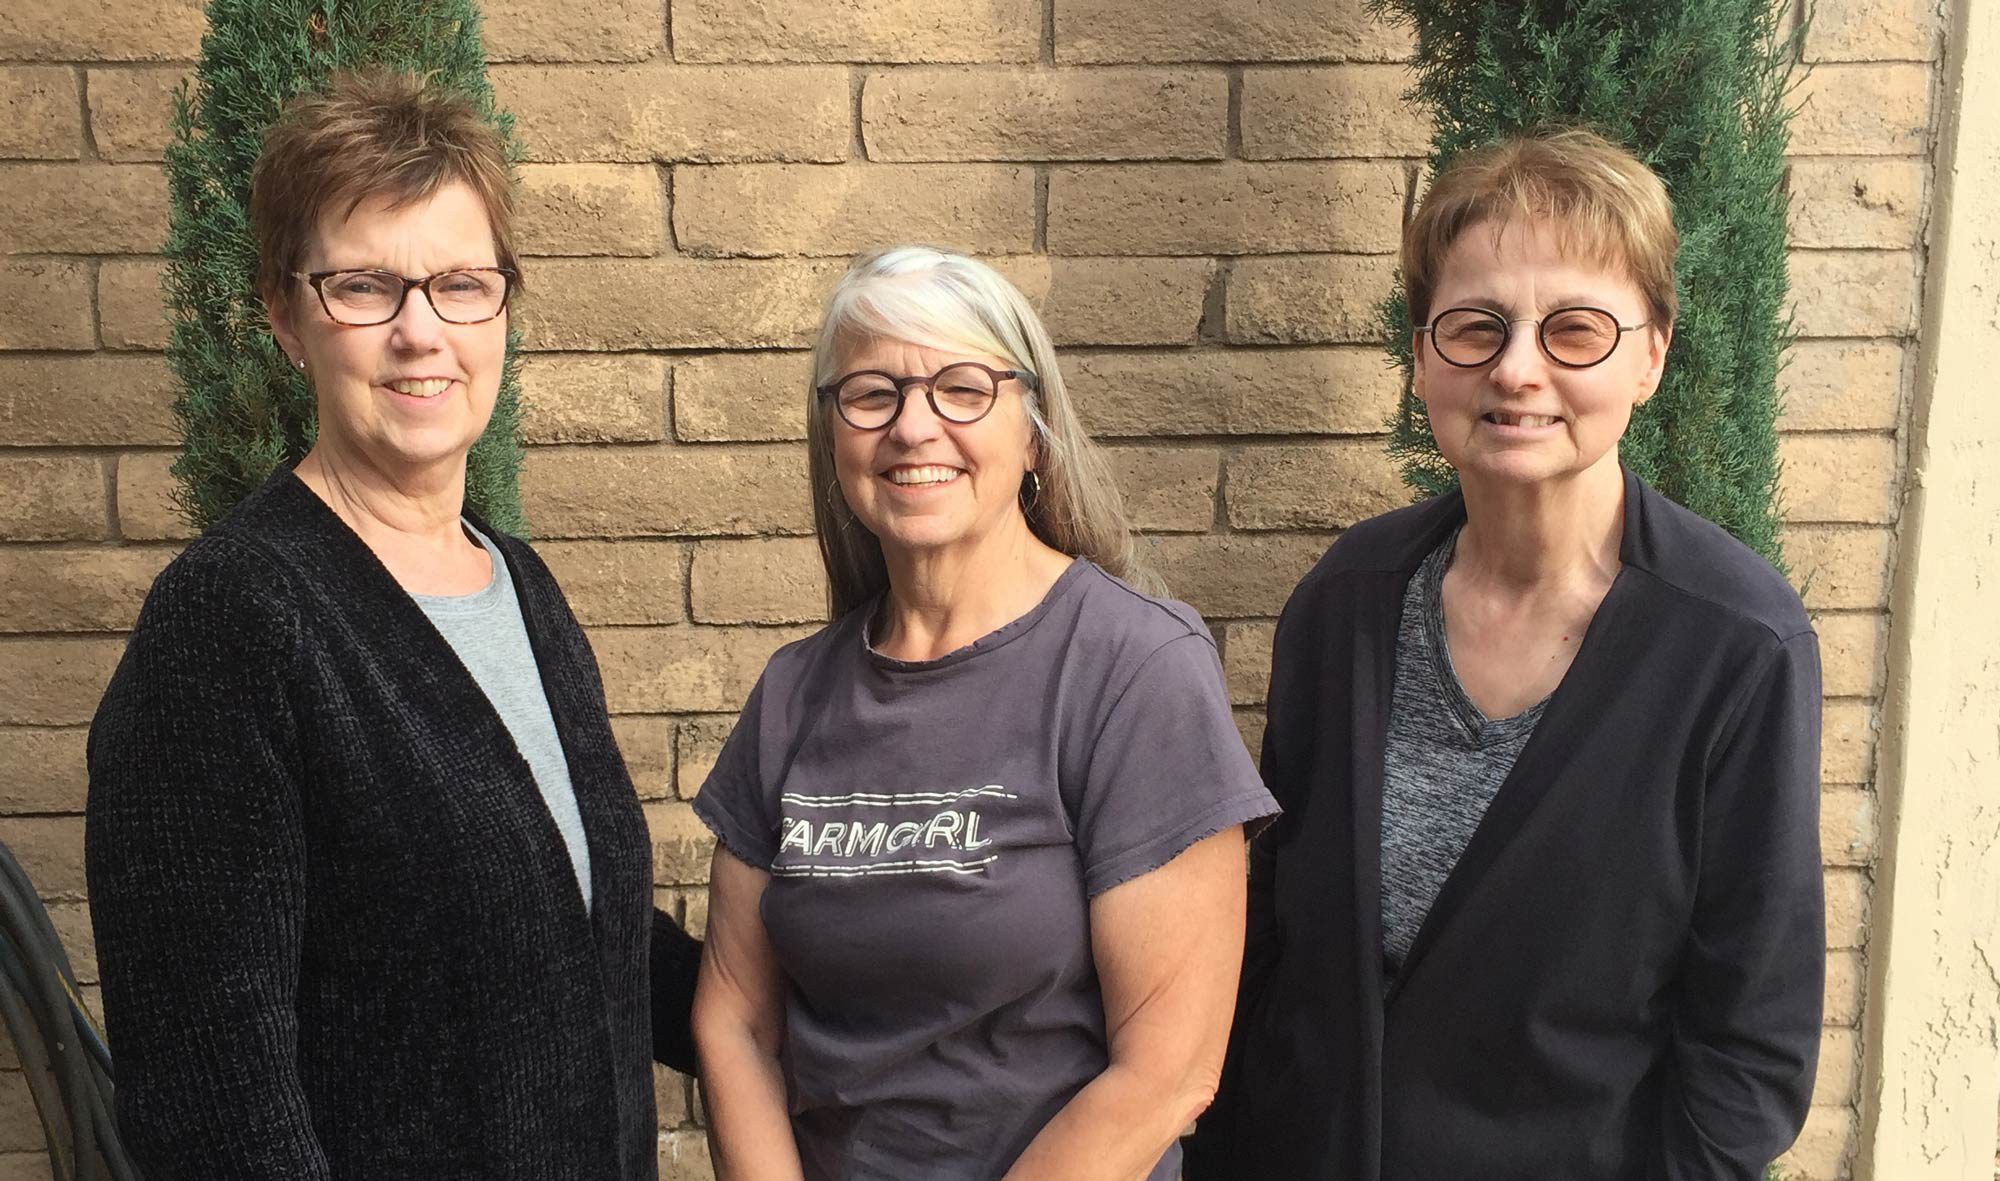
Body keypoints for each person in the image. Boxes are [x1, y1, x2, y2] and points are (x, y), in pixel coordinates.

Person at [85, 69, 699, 1180]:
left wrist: (836, 1004)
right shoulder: (232, 623)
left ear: (501, 306)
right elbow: (209, 1100)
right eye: (365, 286)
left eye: (460, 283)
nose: (421, 332)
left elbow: (582, 929)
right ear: (284, 311)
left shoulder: (522, 587)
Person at [1186, 129, 1824, 1181]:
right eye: (1473, 326)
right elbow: (1268, 938)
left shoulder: (1735, 647)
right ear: (1422, 353)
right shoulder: (1345, 602)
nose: (1516, 368)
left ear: (1650, 354)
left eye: (1573, 329)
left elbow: (1747, 1043)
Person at [690, 245, 1278, 1180]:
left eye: (963, 388)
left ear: (1035, 432)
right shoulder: (793, 694)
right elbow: (734, 1018)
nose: (913, 426)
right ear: (834, 435)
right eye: (872, 393)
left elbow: (1170, 1068)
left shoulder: (1133, 669)